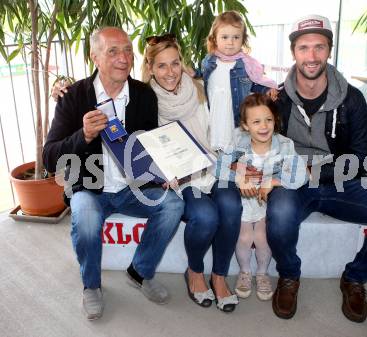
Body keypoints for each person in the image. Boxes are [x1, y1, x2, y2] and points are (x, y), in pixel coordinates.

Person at [266, 14, 367, 322]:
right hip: (294, 182)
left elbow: (362, 158)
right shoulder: (277, 99)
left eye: (319, 47)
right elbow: (258, 137)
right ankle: (289, 275)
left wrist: (314, 173)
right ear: (293, 53)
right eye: (304, 47)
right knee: (279, 214)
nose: (311, 56)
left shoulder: (352, 99)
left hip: (342, 178)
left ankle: (356, 278)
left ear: (329, 51)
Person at [43, 27, 184, 320]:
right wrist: (82, 135)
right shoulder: (74, 97)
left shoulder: (144, 95)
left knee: (173, 204)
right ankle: (91, 285)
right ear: (94, 56)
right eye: (113, 51)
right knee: (86, 215)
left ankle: (139, 272)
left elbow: (150, 145)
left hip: (133, 187)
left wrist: (165, 170)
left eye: (128, 50)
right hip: (89, 187)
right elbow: (49, 157)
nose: (123, 58)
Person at [141, 34, 242, 312]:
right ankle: (195, 272)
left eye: (175, 63)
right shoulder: (145, 101)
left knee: (231, 206)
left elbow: (216, 131)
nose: (170, 72)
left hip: (211, 166)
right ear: (150, 68)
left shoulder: (198, 88)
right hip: (180, 178)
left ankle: (219, 276)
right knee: (206, 215)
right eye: (161, 66)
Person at [217, 93, 307, 301]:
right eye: (256, 121)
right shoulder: (239, 141)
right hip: (245, 200)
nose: (264, 126)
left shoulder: (284, 144)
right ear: (246, 125)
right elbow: (218, 167)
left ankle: (262, 273)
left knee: (263, 238)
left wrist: (274, 182)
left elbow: (301, 174)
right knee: (245, 237)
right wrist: (238, 177)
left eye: (268, 120)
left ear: (275, 119)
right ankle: (245, 271)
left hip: (267, 200)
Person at [201, 10, 278, 152]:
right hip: (215, 116)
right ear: (214, 39)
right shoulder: (208, 61)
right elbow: (201, 76)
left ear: (243, 40)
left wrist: (267, 90)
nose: (230, 42)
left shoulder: (246, 64)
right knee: (216, 149)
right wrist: (191, 72)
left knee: (237, 150)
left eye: (236, 37)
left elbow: (255, 83)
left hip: (234, 118)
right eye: (224, 37)